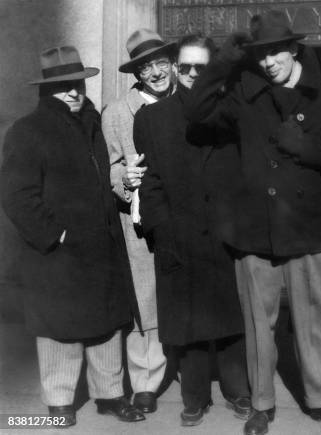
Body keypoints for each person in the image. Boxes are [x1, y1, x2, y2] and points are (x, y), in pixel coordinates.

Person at [184, 10, 321, 435]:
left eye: (277, 51)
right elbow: (196, 111)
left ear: (295, 49)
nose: (269, 62)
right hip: (255, 228)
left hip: (308, 227)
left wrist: (306, 149)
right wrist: (225, 61)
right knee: (259, 323)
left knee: (315, 320)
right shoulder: (244, 91)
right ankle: (262, 403)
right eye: (260, 55)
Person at [0, 46, 144, 427]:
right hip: (57, 255)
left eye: (77, 84)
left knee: (106, 326)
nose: (74, 92)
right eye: (62, 86)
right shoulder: (27, 131)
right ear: (45, 91)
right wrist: (56, 235)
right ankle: (60, 403)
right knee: (59, 329)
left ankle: (109, 395)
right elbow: (17, 196)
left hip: (101, 248)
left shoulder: (93, 124)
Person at [134, 33, 251, 427]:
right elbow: (149, 181)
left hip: (225, 234)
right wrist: (160, 228)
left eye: (201, 68)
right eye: (184, 67)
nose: (191, 74)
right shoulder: (151, 118)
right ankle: (195, 397)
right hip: (178, 235)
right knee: (189, 321)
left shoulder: (228, 113)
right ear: (175, 68)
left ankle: (239, 391)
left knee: (231, 320)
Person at [101, 28, 176, 414]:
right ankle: (145, 379)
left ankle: (185, 368)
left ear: (173, 64)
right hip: (140, 220)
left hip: (183, 217)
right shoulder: (117, 112)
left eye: (161, 62)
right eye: (146, 67)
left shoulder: (186, 102)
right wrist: (123, 180)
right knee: (144, 298)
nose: (156, 72)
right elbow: (109, 166)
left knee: (181, 292)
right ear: (137, 74)